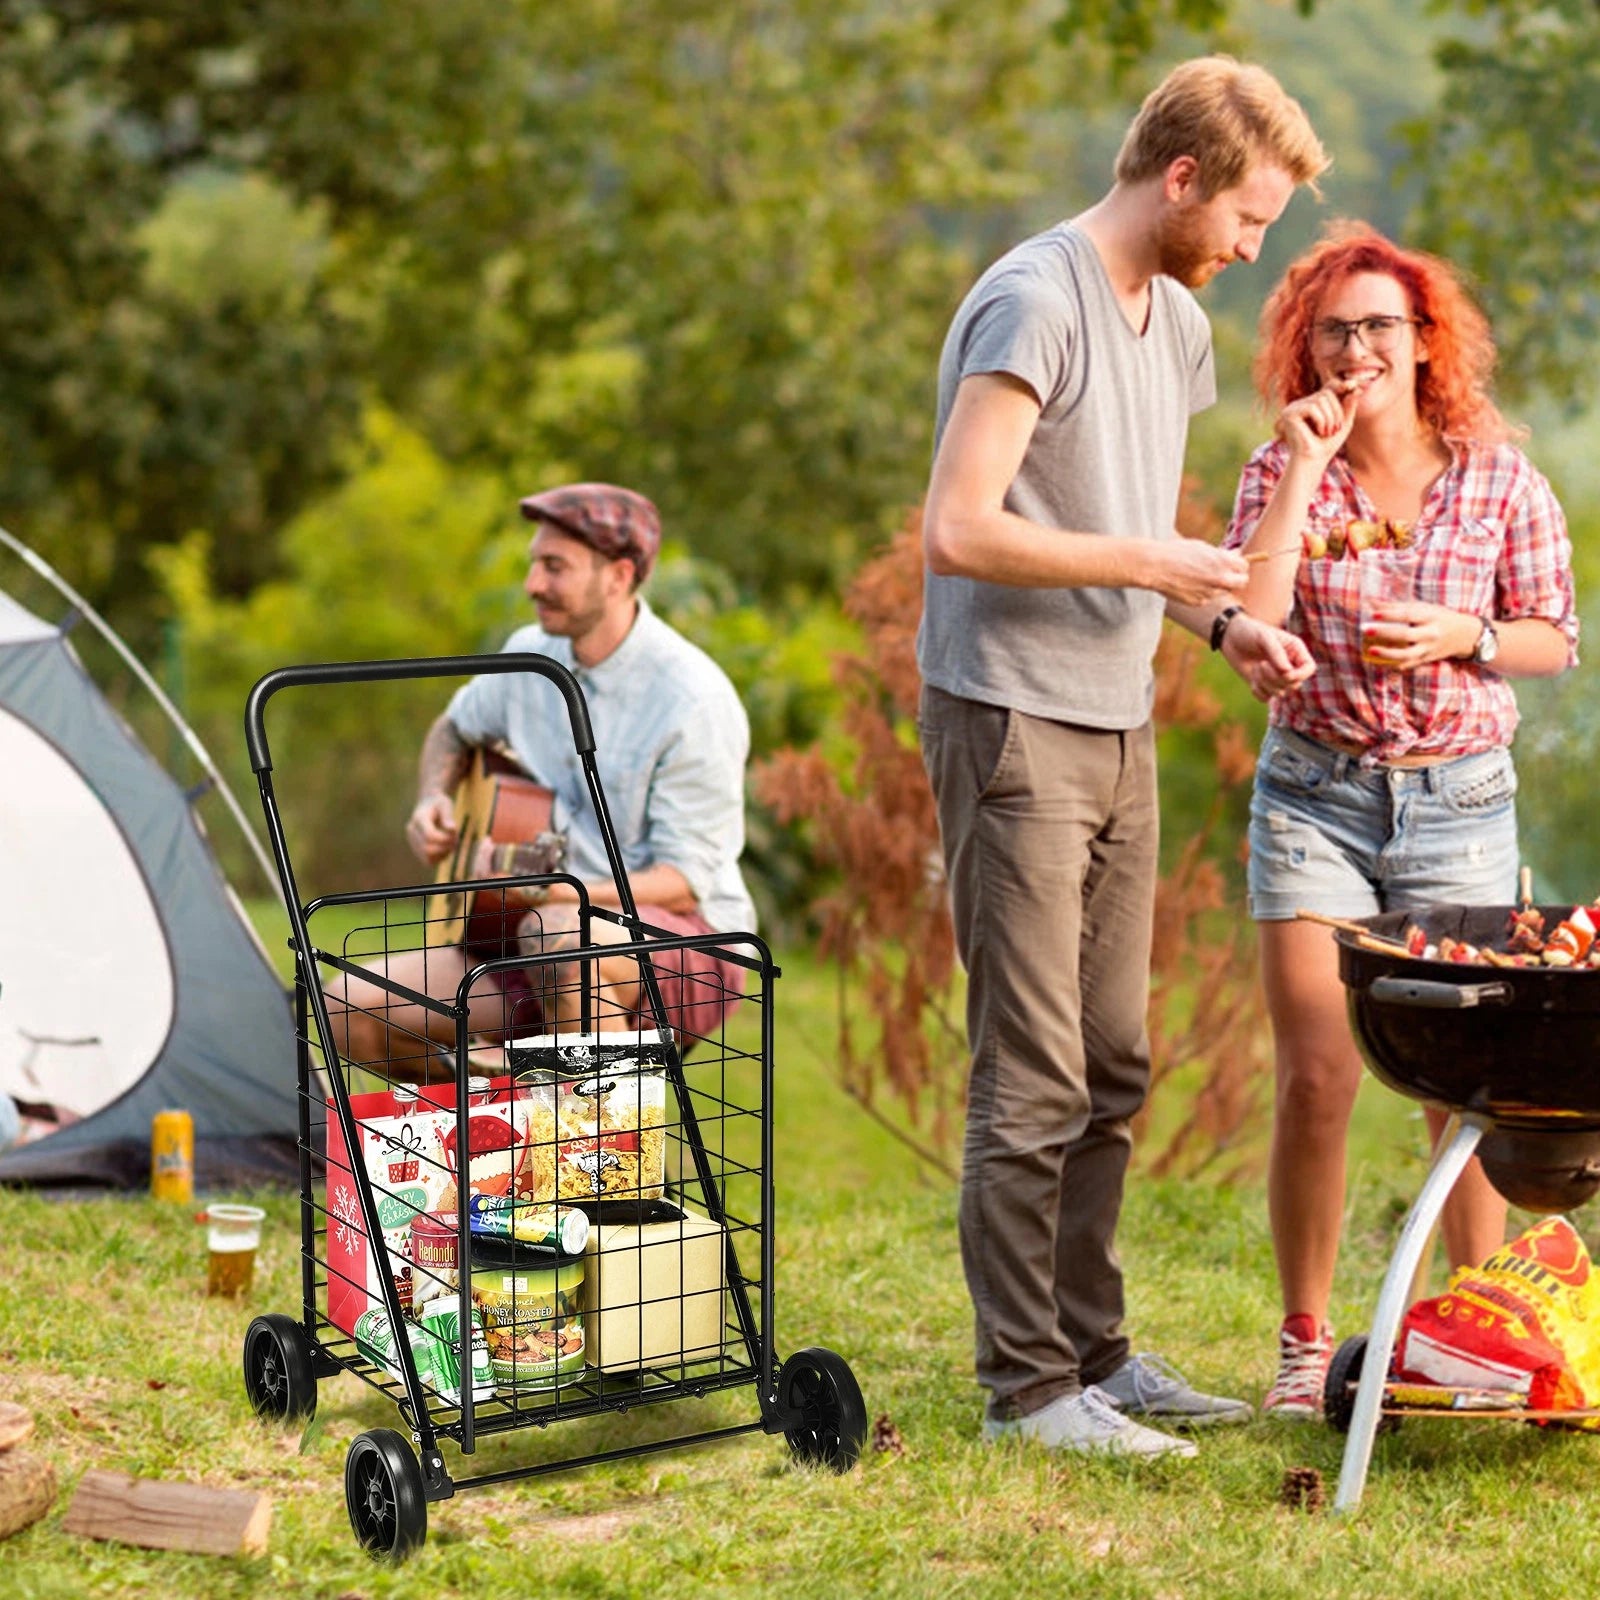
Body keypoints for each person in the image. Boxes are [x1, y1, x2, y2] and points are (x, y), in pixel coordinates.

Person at [917, 56, 1327, 1459]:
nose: (1251, 249)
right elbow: (961, 528)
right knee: (1029, 1067)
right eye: (1248, 219)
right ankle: (1026, 1390)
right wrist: (1154, 558)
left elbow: (1128, 524)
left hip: (1116, 713)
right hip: (1009, 712)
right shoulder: (1038, 298)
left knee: (1112, 1059)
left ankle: (1096, 1355)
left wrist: (1216, 627)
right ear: (1182, 177)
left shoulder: (1180, 329)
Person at [1223, 223, 1578, 1418]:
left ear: (1424, 342)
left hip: (1460, 800)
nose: (1357, 346)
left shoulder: (1496, 475)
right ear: (1306, 345)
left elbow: (1551, 637)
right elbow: (1248, 615)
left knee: (1463, 1087)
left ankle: (1469, 1339)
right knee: (1318, 1072)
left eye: (1380, 325)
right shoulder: (1281, 466)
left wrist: (1461, 635)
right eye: (1335, 328)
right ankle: (1303, 1343)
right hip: (1314, 793)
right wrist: (1301, 471)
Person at [327, 482, 756, 1078]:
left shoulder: (692, 699)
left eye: (554, 567)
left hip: (684, 943)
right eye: (534, 563)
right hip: (526, 931)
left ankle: (604, 1166)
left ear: (619, 575)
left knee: (561, 938)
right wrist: (432, 799)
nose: (532, 584)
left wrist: (557, 893)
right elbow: (453, 729)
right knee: (346, 1007)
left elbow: (683, 883)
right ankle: (509, 1128)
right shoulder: (528, 653)